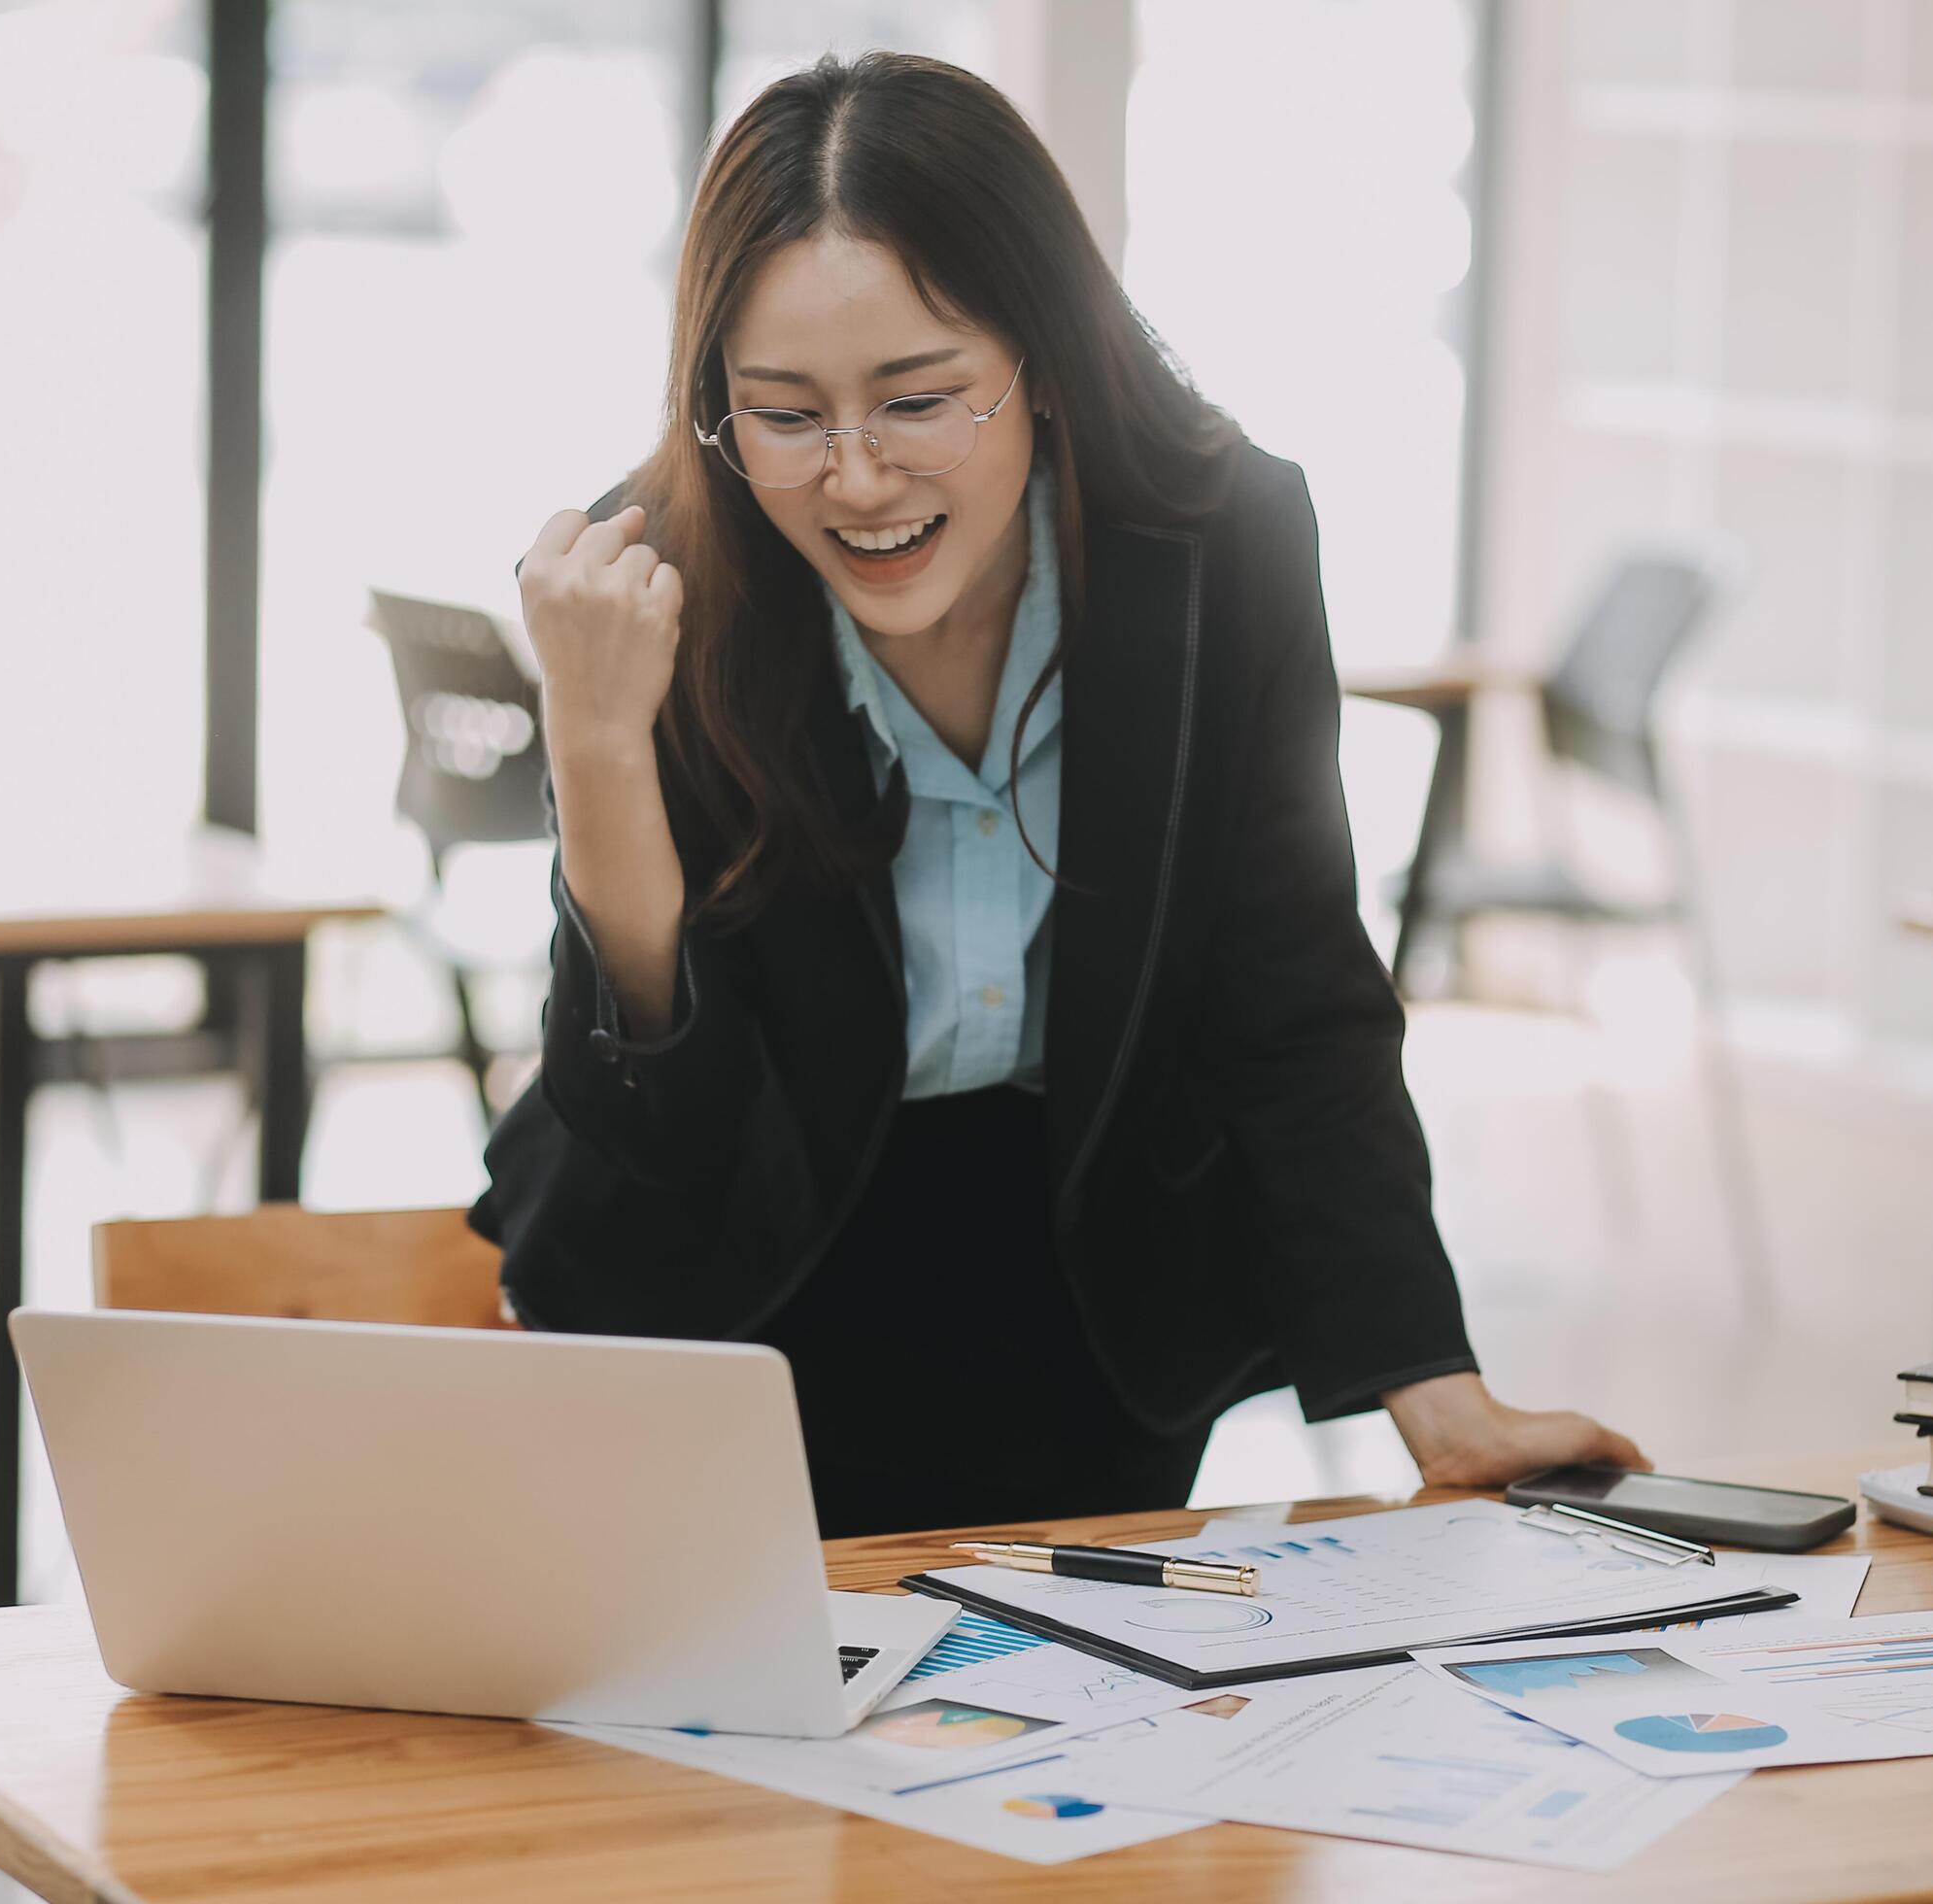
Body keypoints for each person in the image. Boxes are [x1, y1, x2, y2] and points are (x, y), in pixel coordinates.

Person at [469, 51, 1645, 1538]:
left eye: (919, 399)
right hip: (730, 1305)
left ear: (1039, 356)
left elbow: (1292, 996)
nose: (855, 479)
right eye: (782, 414)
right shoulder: (662, 583)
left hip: (1094, 1298)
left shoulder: (1223, 543)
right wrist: (594, 741)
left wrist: (1436, 1388)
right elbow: (660, 1121)